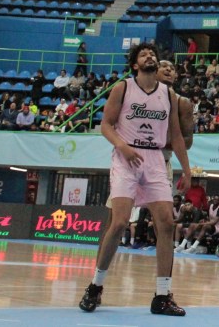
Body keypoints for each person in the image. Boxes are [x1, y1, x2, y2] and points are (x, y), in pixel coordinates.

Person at [78, 43, 191, 317]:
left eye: (153, 53)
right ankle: (95, 286)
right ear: (135, 65)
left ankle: (162, 296)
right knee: (118, 223)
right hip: (126, 157)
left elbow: (176, 136)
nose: (150, 56)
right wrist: (122, 146)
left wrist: (187, 171)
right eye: (144, 54)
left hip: (154, 160)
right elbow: (105, 124)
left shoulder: (169, 95)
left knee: (166, 223)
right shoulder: (123, 88)